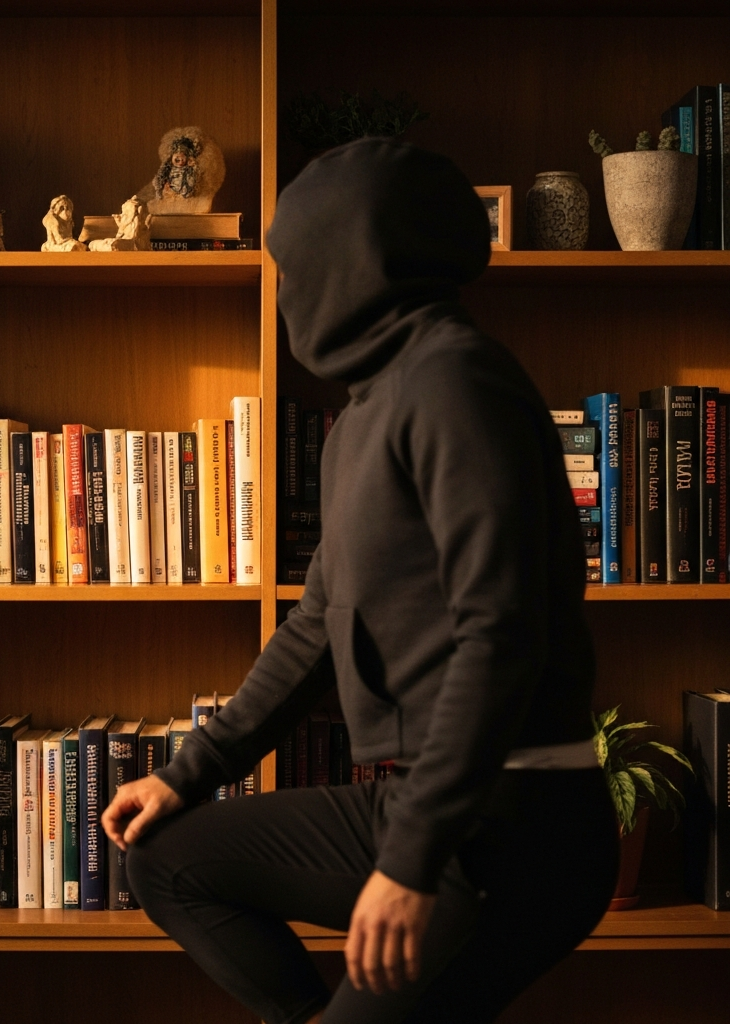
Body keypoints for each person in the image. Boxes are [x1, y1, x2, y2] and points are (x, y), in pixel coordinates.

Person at [101, 138, 619, 1024]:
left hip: (511, 821)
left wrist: (411, 858)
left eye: (292, 266)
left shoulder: (457, 383)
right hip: (416, 802)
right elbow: (313, 626)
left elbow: (498, 635)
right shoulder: (362, 418)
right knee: (165, 854)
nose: (285, 291)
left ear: (351, 260)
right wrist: (189, 774)